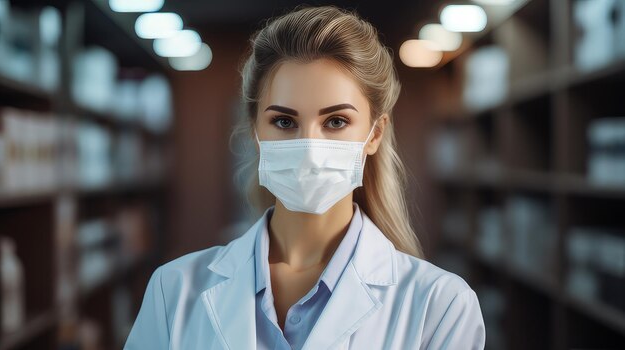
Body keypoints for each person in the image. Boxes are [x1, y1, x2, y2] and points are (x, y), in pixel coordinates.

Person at [124, 5, 486, 350]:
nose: (310, 148)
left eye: (336, 122)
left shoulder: (441, 306)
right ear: (255, 132)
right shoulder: (174, 291)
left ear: (374, 134)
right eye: (284, 121)